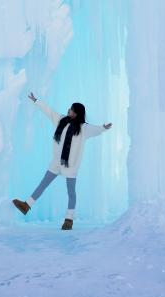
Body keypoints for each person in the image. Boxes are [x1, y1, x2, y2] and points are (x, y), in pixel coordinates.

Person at [11, 92, 112, 230]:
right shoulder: (61, 120)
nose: (68, 110)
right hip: (56, 162)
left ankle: (69, 219)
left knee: (71, 192)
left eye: (71, 109)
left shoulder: (84, 128)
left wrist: (103, 128)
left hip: (70, 166)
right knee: (43, 184)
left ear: (76, 113)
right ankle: (26, 205)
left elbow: (96, 129)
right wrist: (36, 101)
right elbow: (49, 111)